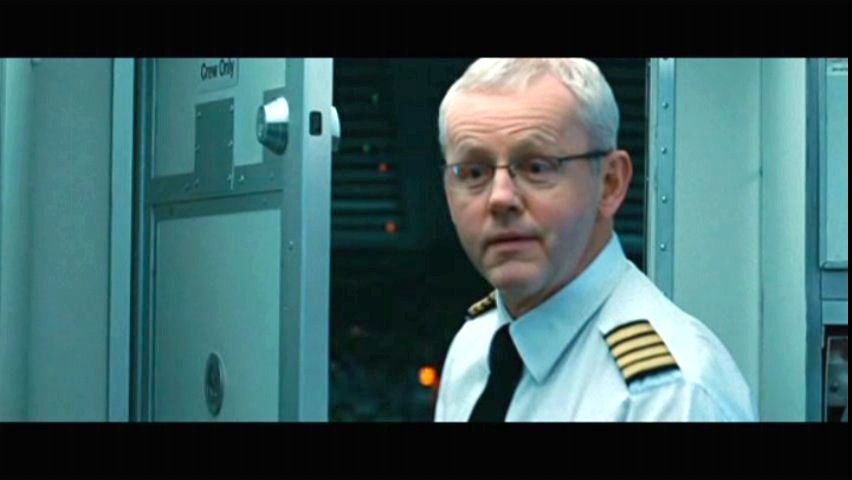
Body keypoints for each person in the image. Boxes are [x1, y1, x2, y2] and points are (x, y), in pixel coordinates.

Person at [433, 58, 756, 421]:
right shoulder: (473, 349)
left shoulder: (668, 396)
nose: (500, 197)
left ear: (610, 183)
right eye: (473, 172)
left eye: (537, 167)